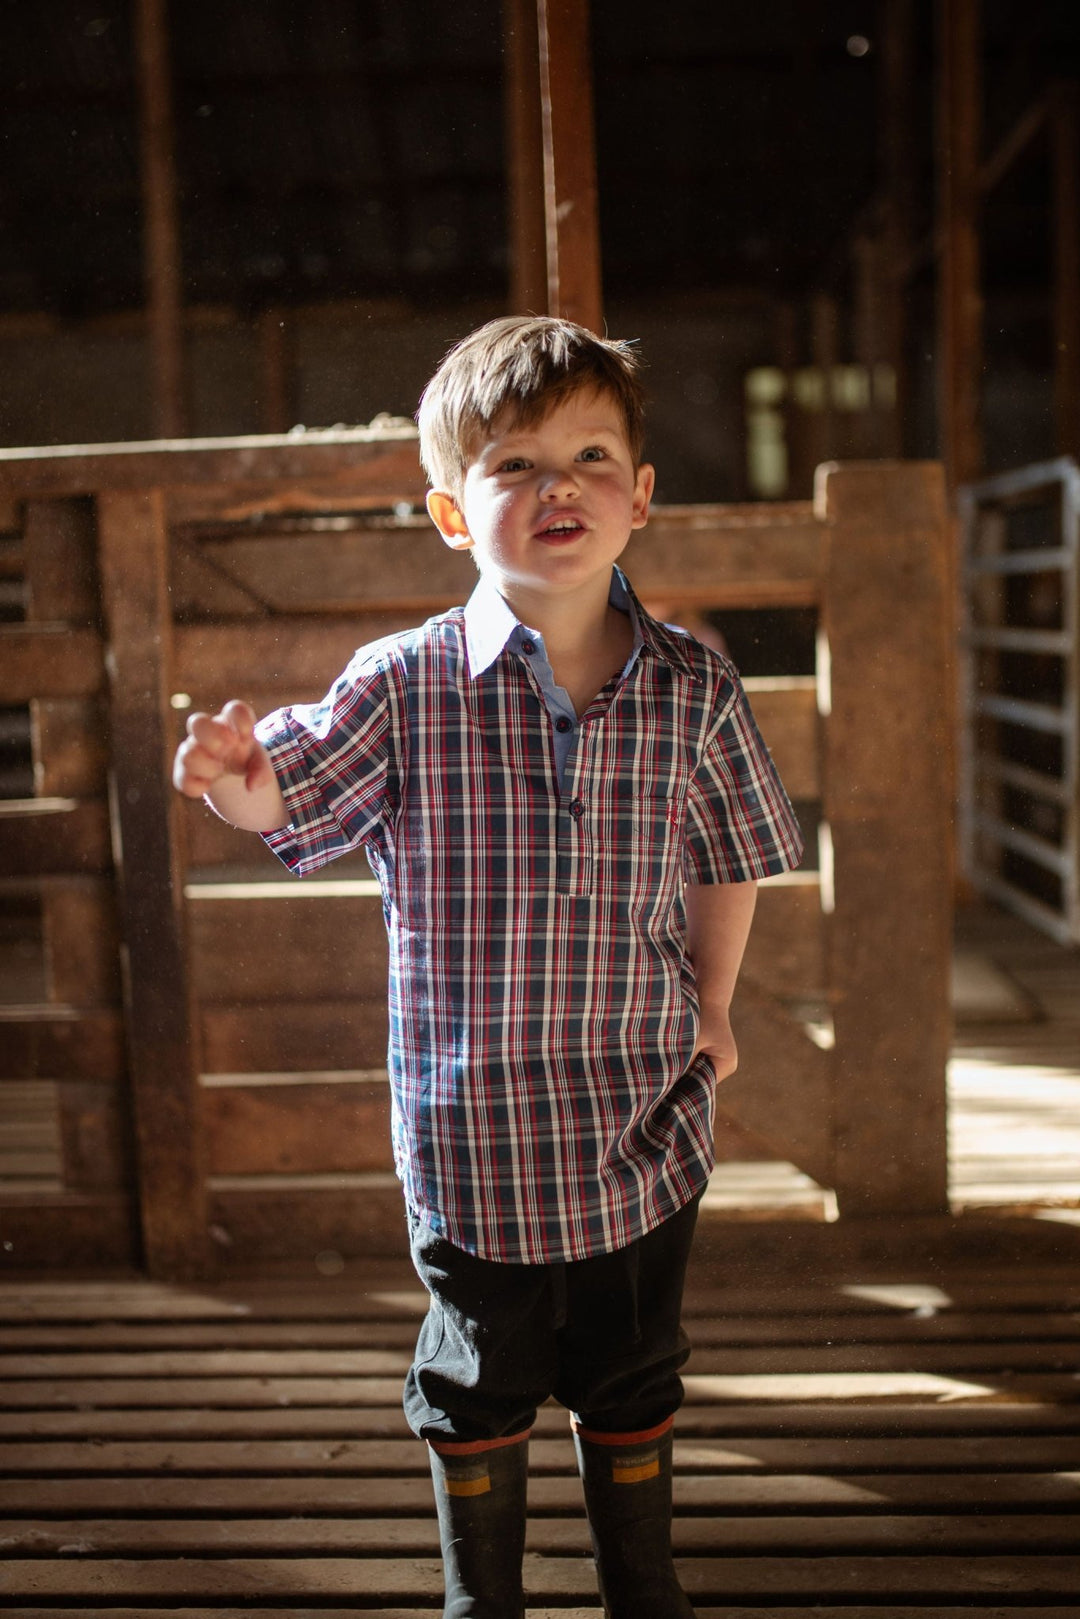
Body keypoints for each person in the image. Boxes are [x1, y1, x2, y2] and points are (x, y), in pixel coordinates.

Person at [173, 315, 804, 1618]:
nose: (556, 487)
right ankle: (484, 1601)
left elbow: (731, 854)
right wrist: (242, 783)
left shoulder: (697, 689)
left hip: (646, 1107)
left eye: (587, 457)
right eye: (513, 466)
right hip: (474, 1133)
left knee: (634, 1368)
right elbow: (292, 790)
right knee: (478, 1376)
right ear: (452, 515)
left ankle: (646, 1588)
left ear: (640, 496)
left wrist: (719, 1007)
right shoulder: (401, 688)